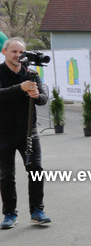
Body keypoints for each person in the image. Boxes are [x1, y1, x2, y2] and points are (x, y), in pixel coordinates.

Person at [0, 38, 51, 228]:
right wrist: (20, 88)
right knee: (6, 175)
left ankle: (37, 211)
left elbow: (44, 98)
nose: (18, 55)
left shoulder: (31, 74)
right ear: (4, 52)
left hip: (28, 131)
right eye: (14, 51)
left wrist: (36, 96)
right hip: (3, 133)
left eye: (21, 52)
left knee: (36, 170)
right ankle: (9, 214)